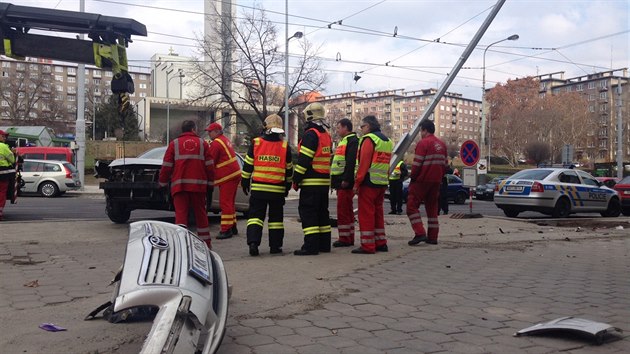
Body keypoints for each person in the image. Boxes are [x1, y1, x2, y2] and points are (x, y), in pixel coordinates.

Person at [241, 114, 293, 256]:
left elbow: (248, 165)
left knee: (255, 218)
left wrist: (245, 182)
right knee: (276, 220)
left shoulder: (256, 143)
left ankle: (253, 243)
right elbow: (289, 169)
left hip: (258, 189)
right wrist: (288, 186)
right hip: (277, 190)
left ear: (265, 127)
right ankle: (275, 247)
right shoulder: (284, 146)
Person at [159, 120, 215, 248]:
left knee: (181, 216)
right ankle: (205, 245)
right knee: (201, 215)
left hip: (179, 186)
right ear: (193, 129)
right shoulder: (203, 144)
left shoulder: (174, 144)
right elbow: (210, 167)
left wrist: (162, 183)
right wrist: (210, 183)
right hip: (198, 187)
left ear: (182, 130)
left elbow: (166, 166)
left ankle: (181, 245)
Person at [293, 102, 332, 256]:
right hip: (323, 182)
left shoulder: (311, 134)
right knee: (322, 213)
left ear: (310, 116)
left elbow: (304, 160)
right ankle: (324, 244)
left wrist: (296, 179)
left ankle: (311, 246)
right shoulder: (325, 135)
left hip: (310, 182)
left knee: (308, 213)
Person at [352, 115, 393, 254]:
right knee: (378, 213)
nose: (361, 129)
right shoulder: (387, 141)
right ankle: (381, 242)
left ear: (368, 126)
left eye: (362, 126)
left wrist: (357, 183)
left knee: (366, 215)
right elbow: (387, 164)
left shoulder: (369, 140)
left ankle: (368, 246)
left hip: (368, 183)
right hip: (381, 182)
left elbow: (363, 164)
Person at [407, 120, 448, 246]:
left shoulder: (423, 143)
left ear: (424, 130)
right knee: (432, 209)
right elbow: (445, 165)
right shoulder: (442, 144)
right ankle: (433, 237)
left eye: (421, 131)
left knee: (411, 206)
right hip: (436, 181)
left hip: (422, 180)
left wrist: (412, 177)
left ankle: (420, 233)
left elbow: (417, 164)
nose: (420, 133)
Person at [206, 122, 242, 240]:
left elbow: (211, 161)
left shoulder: (216, 143)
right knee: (230, 202)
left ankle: (226, 230)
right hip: (234, 174)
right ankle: (232, 226)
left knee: (225, 202)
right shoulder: (224, 140)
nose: (208, 134)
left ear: (216, 131)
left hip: (227, 176)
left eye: (210, 131)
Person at [330, 118, 358, 248]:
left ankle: (345, 238)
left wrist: (346, 179)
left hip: (344, 182)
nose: (337, 130)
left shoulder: (351, 141)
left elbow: (351, 162)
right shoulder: (346, 141)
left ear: (345, 127)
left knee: (343, 211)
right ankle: (348, 237)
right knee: (347, 210)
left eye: (338, 127)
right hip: (341, 181)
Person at [0, 130, 16, 221]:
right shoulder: (3, 146)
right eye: (3, 136)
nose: (5, 138)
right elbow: (12, 160)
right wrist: (13, 152)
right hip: (2, 175)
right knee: (2, 193)